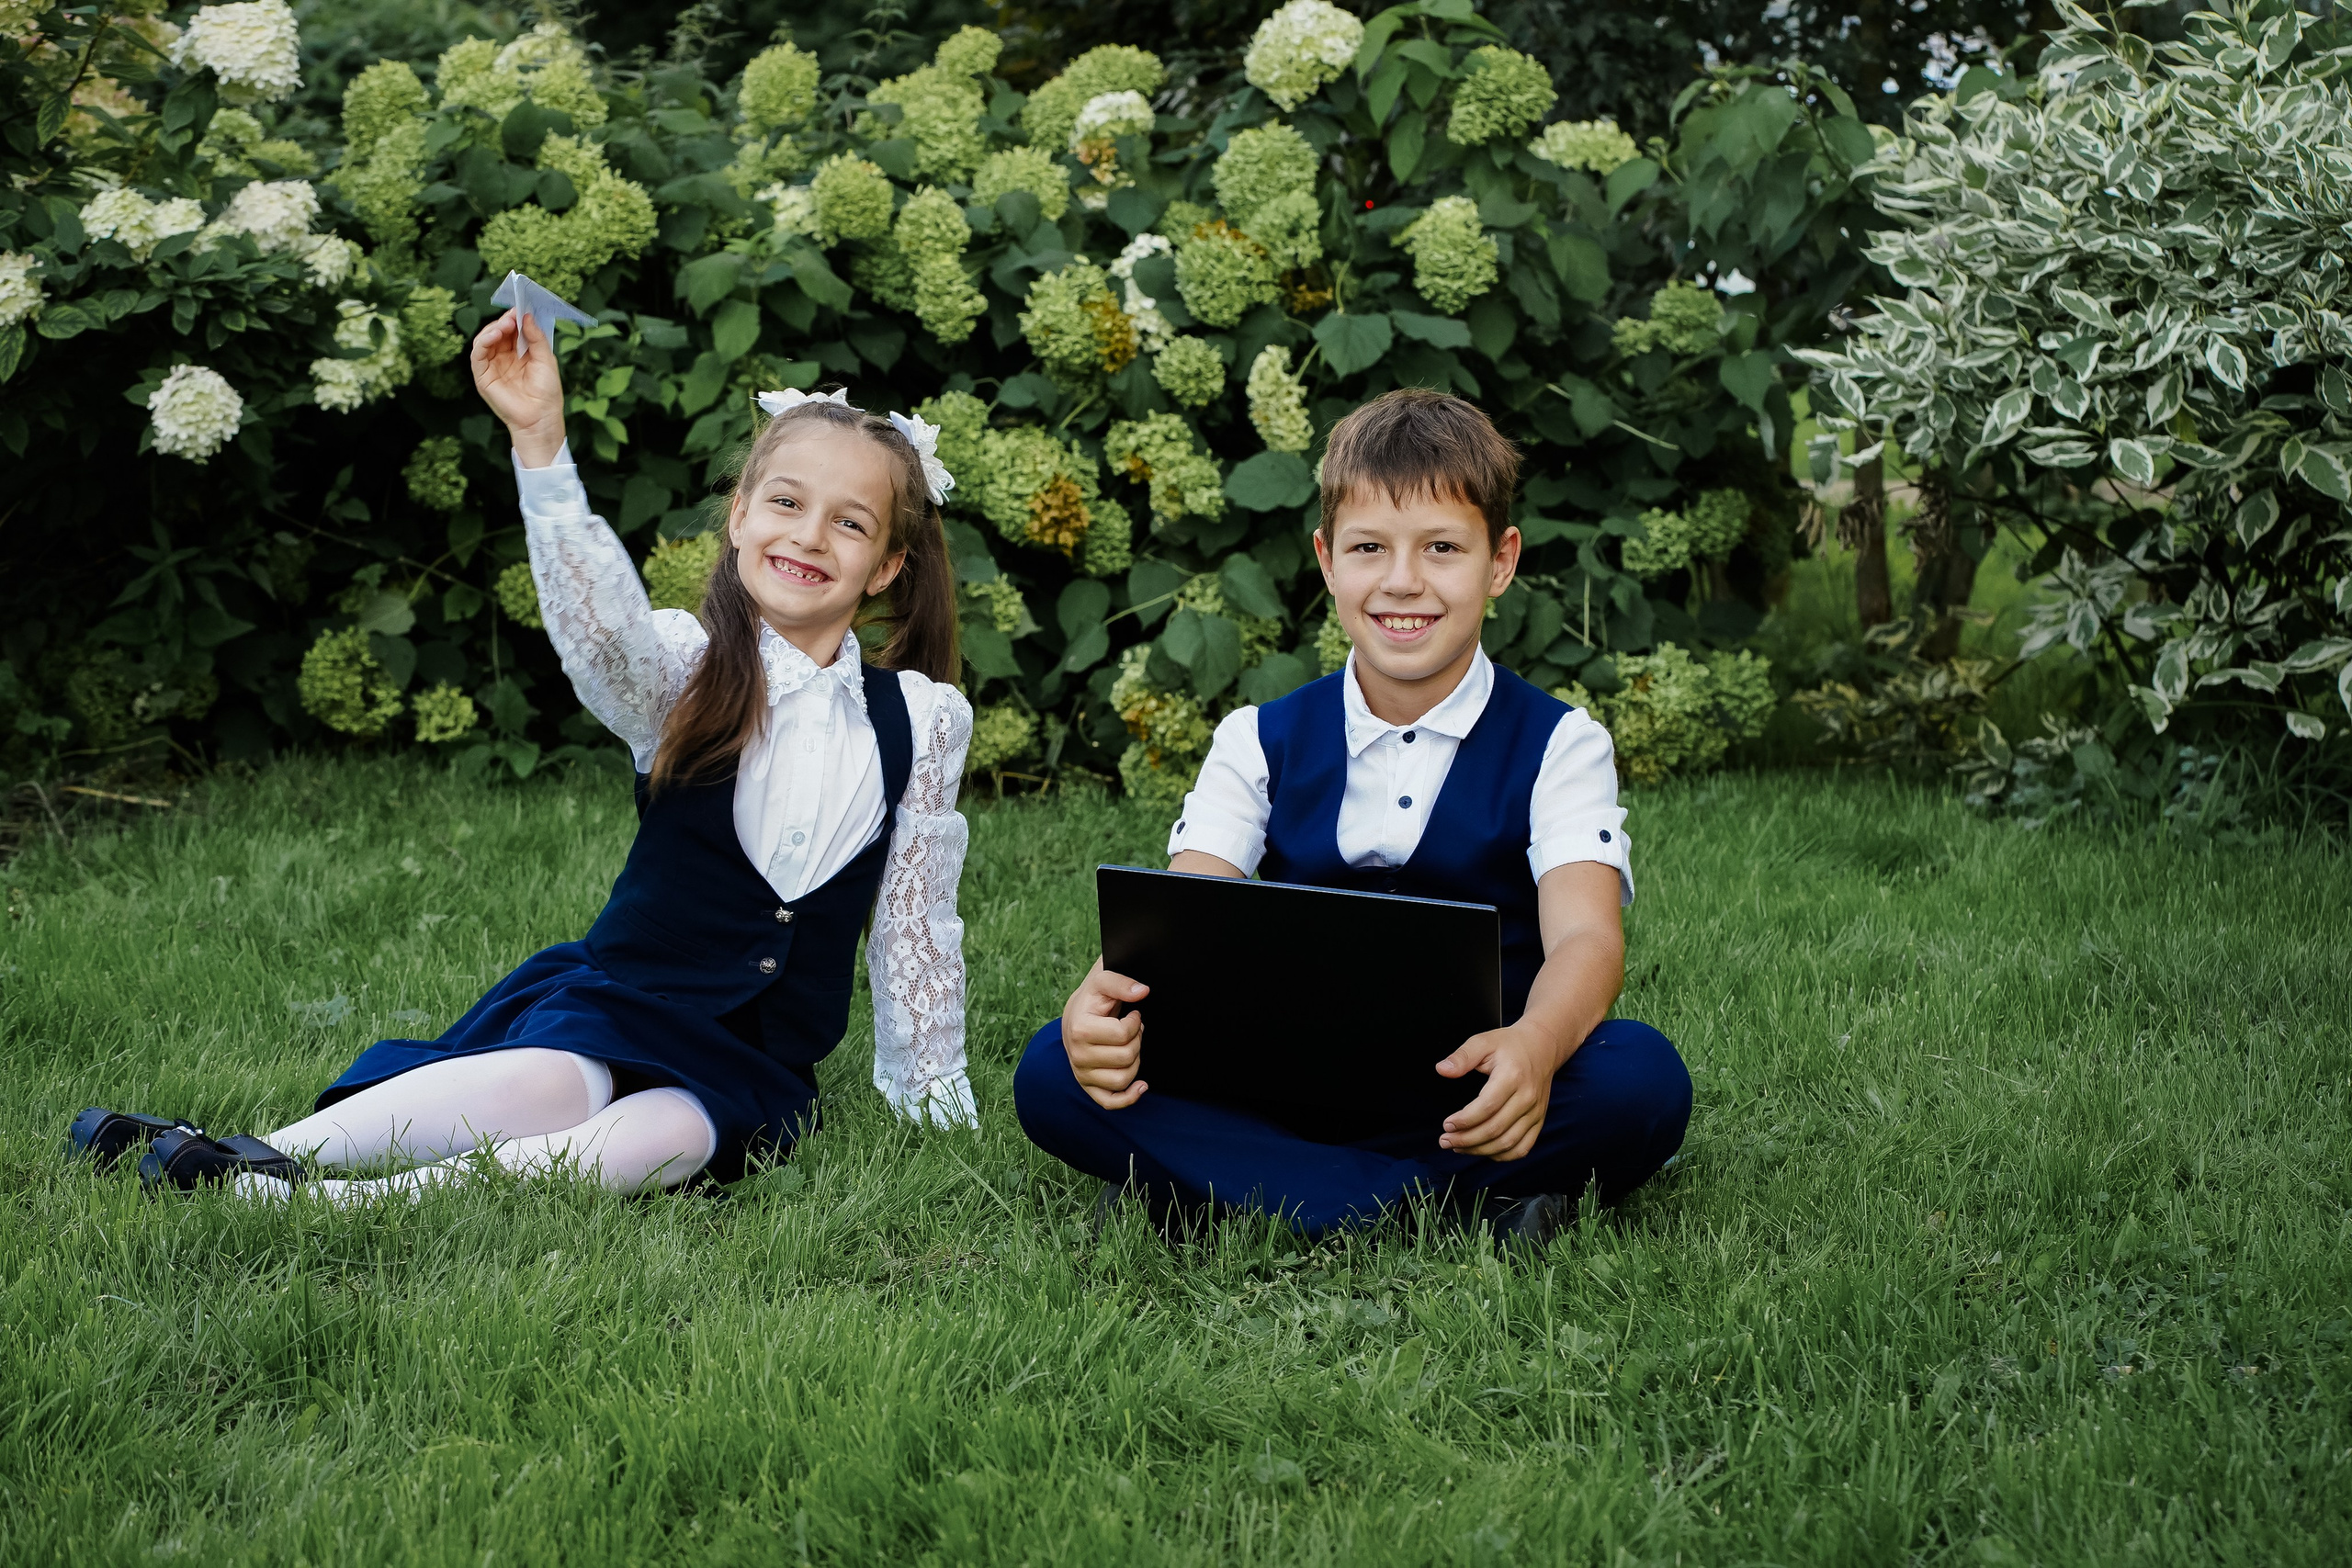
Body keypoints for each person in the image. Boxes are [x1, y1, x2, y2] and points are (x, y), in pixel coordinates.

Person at [69, 308, 979, 1201]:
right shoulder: (679, 665)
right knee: (548, 1084)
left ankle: (323, 1204)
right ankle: (251, 1153)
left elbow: (916, 930)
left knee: (672, 1132)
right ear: (738, 519)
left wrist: (933, 1103)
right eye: (785, 502)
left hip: (752, 1068)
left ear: (890, 567)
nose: (810, 535)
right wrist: (540, 440)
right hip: (623, 1000)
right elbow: (598, 634)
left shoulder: (922, 717)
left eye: (849, 523)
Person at [1013, 389, 1690, 1243]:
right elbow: (1179, 924)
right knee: (1053, 1068)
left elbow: (1587, 941)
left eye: (1442, 548)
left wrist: (1538, 1044)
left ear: (1501, 561)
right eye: (1371, 548)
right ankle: (1441, 1203)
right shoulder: (1258, 737)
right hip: (1278, 1079)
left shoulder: (1562, 742)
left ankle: (1221, 1185)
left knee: (1643, 1078)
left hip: (1473, 1087)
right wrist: (1095, 1003)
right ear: (1329, 561)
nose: (1403, 581)